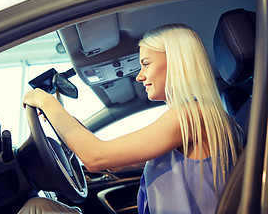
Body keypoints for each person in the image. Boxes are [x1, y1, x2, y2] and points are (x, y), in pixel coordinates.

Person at [20, 24, 241, 214]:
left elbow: (96, 157)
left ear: (176, 61)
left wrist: (46, 102)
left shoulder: (190, 115)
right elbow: (117, 161)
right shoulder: (201, 115)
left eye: (146, 63)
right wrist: (63, 119)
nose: (139, 75)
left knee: (37, 208)